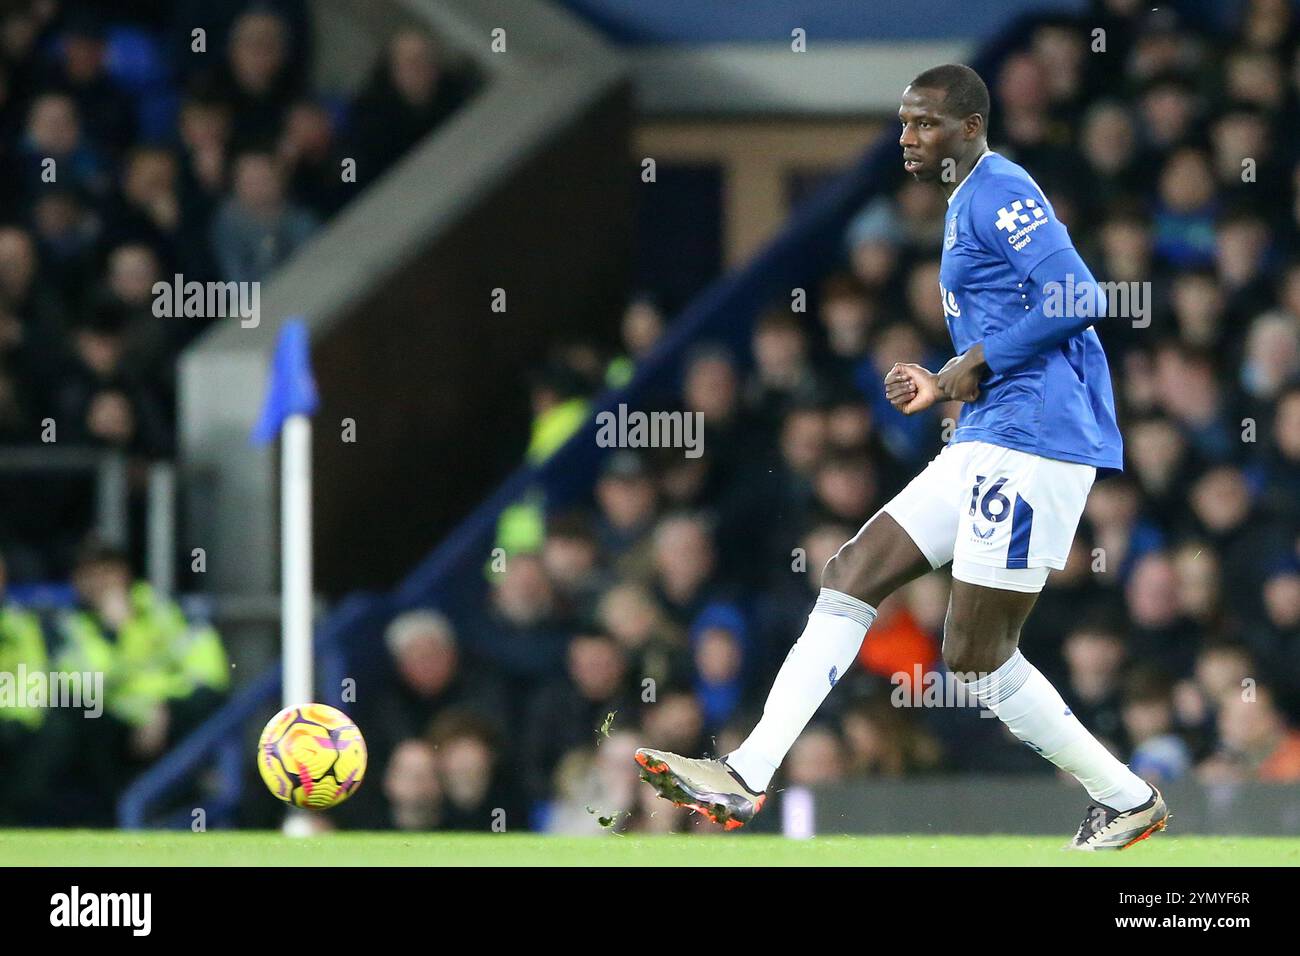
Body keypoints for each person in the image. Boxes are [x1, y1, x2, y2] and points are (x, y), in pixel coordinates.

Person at [635, 64, 1169, 851]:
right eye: (903, 123)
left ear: (972, 125)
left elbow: (1079, 296)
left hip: (1036, 442)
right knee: (853, 570)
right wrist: (942, 379)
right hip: (992, 431)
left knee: (976, 658)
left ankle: (1126, 798)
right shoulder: (961, 206)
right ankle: (746, 773)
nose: (908, 138)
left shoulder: (1000, 187)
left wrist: (975, 362)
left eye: (925, 123)